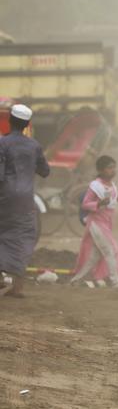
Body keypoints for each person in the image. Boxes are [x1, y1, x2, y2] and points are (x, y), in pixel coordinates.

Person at [0, 105, 50, 298]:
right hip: (26, 200)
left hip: (5, 197)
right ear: (27, 124)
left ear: (11, 122)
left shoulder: (3, 143)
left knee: (2, 234)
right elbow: (45, 171)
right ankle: (18, 287)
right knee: (23, 239)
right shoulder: (34, 146)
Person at [70, 155, 118, 288]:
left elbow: (110, 202)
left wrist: (115, 199)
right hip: (97, 223)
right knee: (110, 250)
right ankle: (115, 281)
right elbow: (85, 204)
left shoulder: (112, 185)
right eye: (109, 168)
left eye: (114, 167)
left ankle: (77, 279)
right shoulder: (95, 185)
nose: (113, 170)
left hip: (106, 223)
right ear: (101, 170)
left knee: (94, 255)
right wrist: (98, 204)